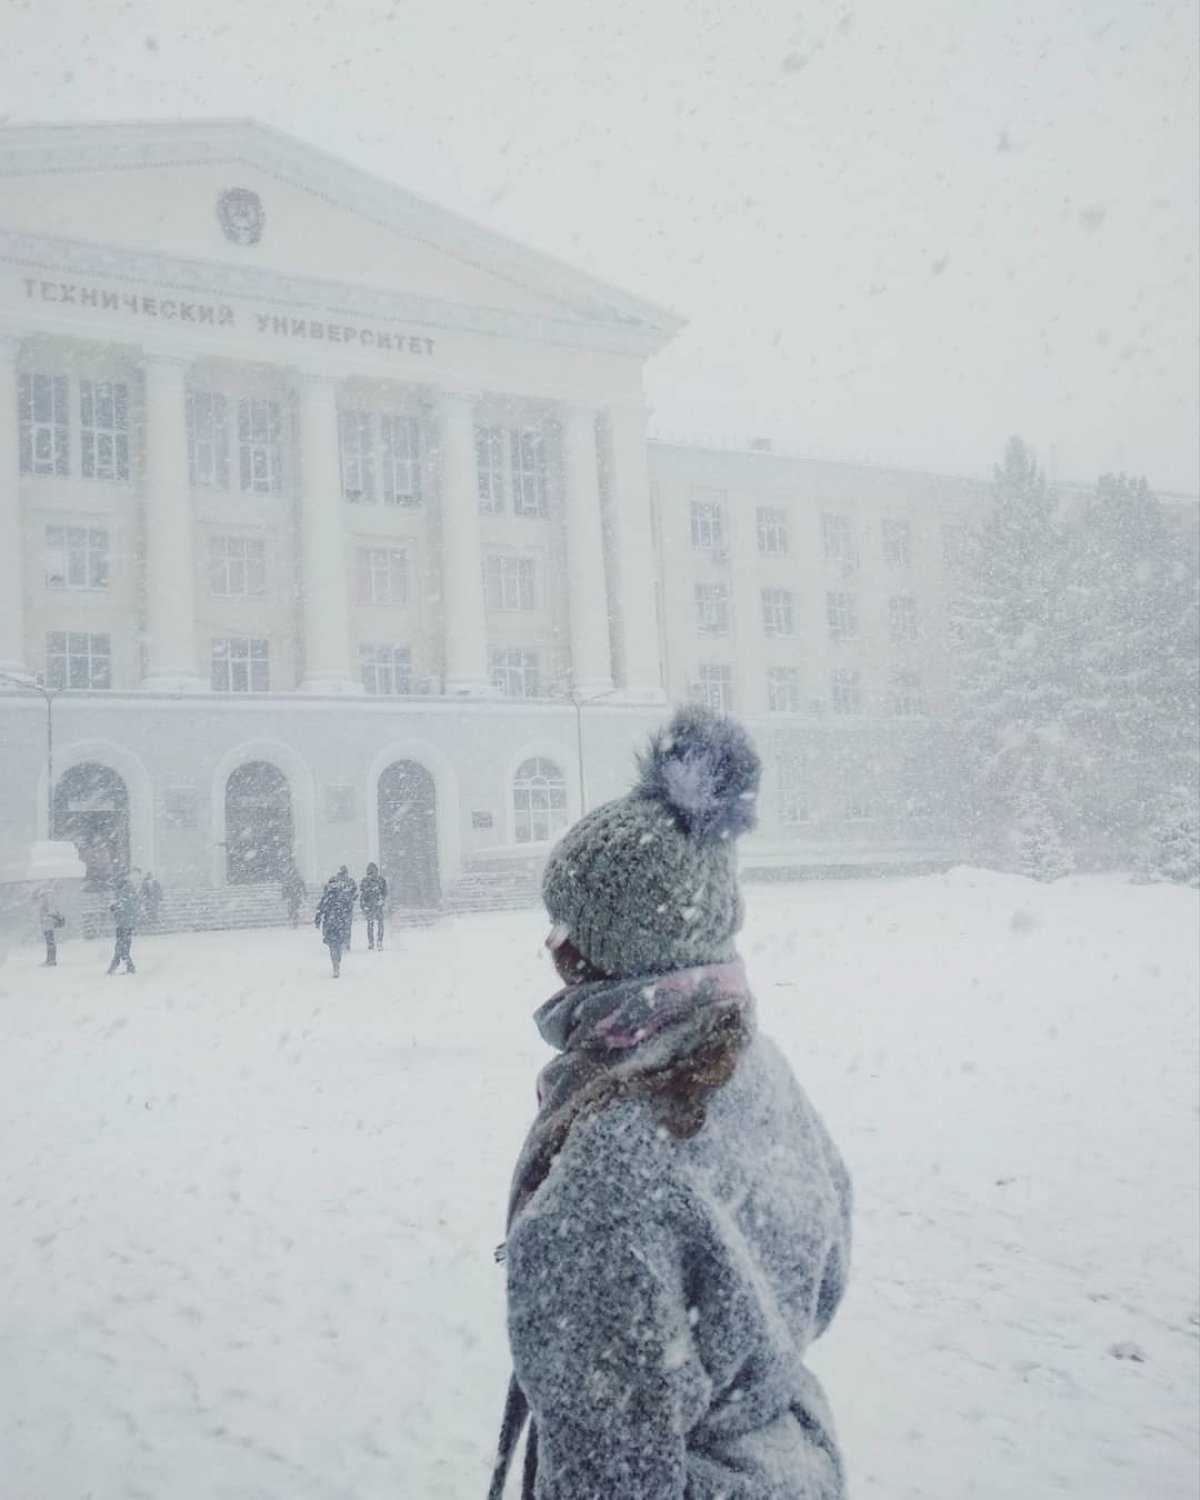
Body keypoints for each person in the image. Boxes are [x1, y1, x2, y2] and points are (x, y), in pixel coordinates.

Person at [488, 705, 853, 1500]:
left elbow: (608, 1470)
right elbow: (825, 1271)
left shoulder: (609, 1172)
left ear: (613, 947)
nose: (551, 943)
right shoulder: (755, 1069)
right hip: (786, 1466)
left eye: (566, 923)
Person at [314, 874, 351, 978]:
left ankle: (335, 964)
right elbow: (348, 909)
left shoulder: (328, 898)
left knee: (333, 946)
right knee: (337, 945)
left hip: (331, 924)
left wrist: (318, 921)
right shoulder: (340, 897)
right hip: (339, 924)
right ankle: (337, 963)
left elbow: (320, 910)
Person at [107, 876, 138, 975]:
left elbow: (125, 908)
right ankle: (119, 967)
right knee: (121, 947)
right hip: (124, 924)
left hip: (124, 925)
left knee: (121, 947)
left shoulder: (126, 894)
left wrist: (115, 908)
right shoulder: (127, 893)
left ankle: (126, 967)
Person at [359, 862, 388, 950]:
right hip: (374, 905)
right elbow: (385, 892)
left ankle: (374, 942)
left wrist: (363, 905)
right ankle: (376, 941)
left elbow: (363, 894)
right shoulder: (380, 880)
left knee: (373, 924)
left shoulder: (368, 880)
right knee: (376, 924)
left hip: (373, 905)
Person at [35, 883, 64, 967]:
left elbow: (50, 910)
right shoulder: (45, 896)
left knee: (50, 942)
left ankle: (51, 960)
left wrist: (48, 916)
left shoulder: (46, 896)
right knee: (50, 942)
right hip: (47, 924)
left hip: (48, 924)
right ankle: (50, 959)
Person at [334, 864, 358, 949]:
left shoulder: (337, 882)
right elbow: (355, 893)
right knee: (345, 926)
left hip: (342, 907)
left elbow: (355, 893)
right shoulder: (349, 881)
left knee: (343, 925)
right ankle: (345, 942)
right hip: (345, 906)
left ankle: (344, 943)